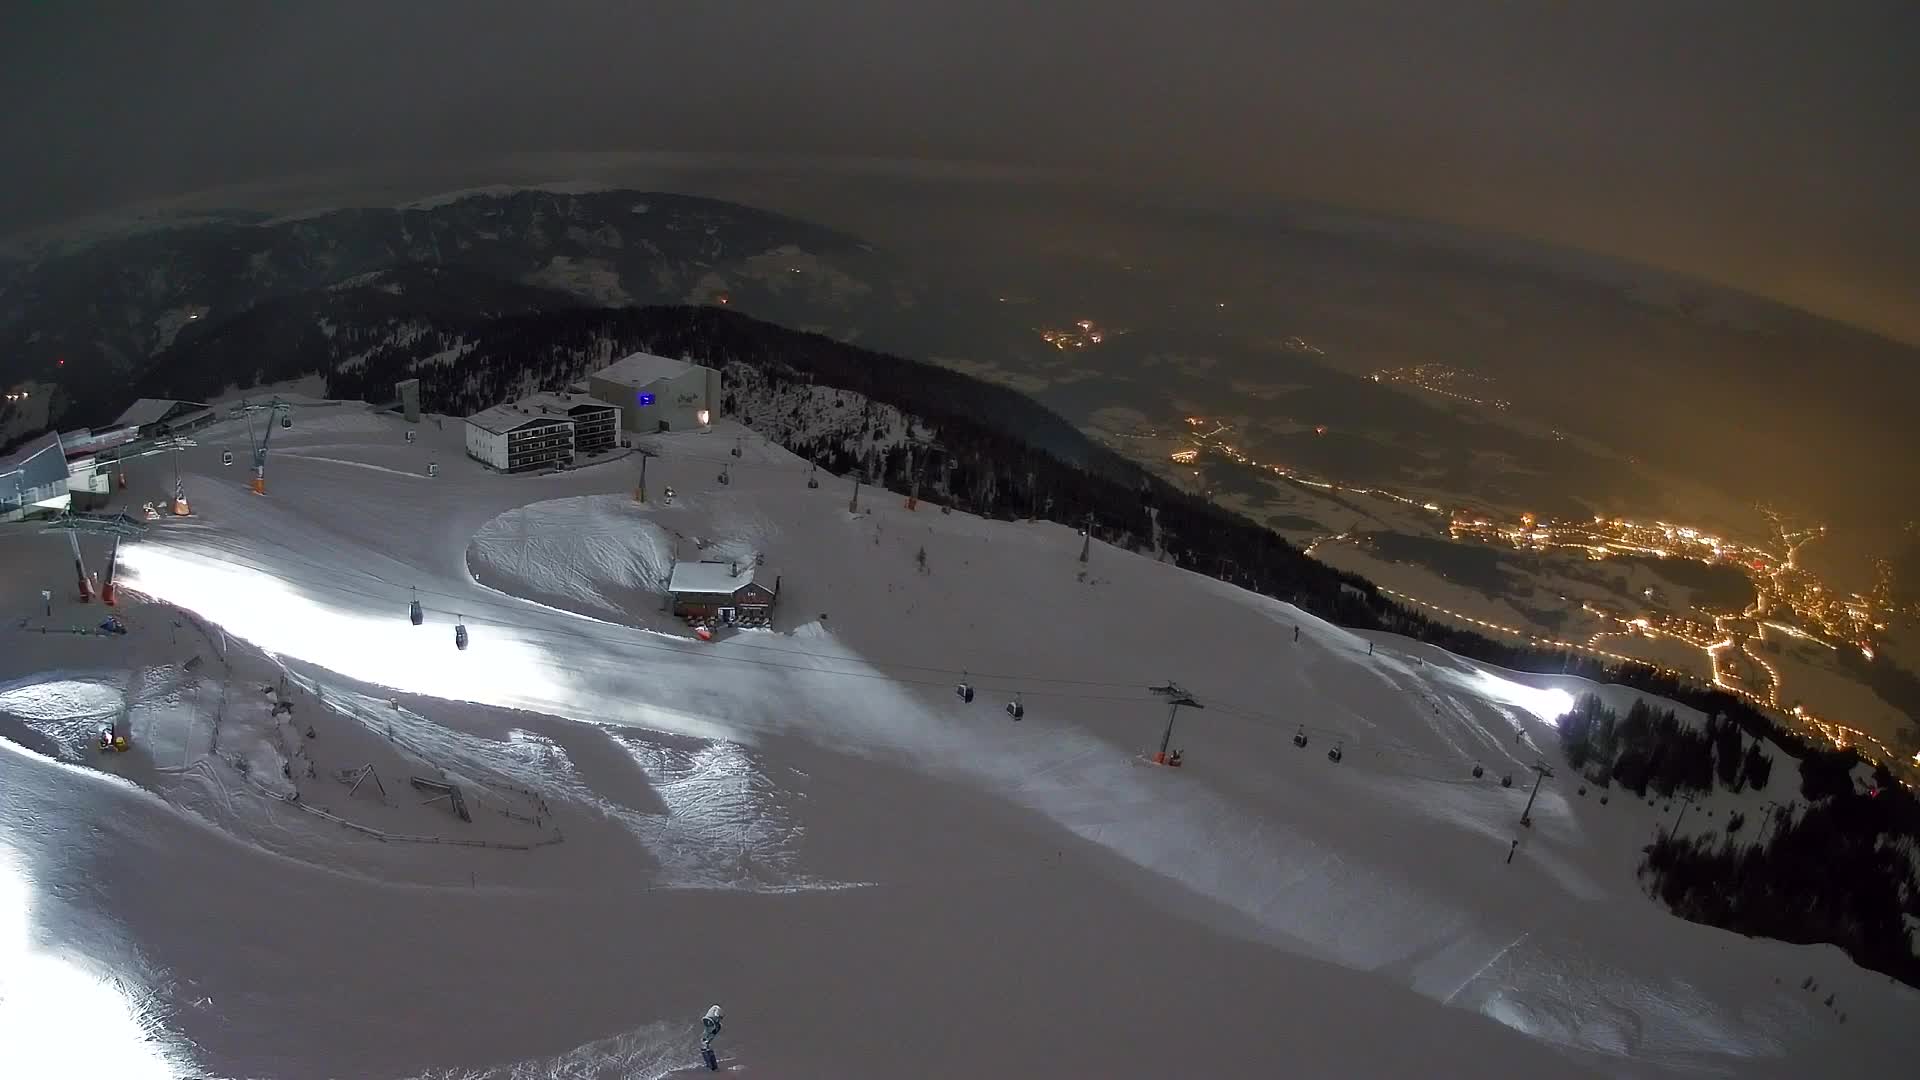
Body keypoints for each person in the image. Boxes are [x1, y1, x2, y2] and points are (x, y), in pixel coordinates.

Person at [700, 1003, 724, 1070]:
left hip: (711, 1022)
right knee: (705, 1044)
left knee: (706, 1044)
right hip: (709, 1021)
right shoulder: (715, 1010)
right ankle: (710, 1064)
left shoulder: (717, 1025)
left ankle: (707, 1048)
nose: (719, 1020)